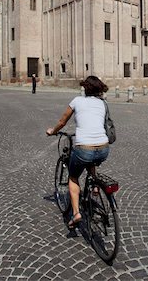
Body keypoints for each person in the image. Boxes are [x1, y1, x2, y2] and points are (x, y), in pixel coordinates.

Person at [46, 76, 109, 229]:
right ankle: (95, 185)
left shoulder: (77, 101)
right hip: (104, 148)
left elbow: (62, 122)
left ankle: (76, 213)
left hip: (84, 148)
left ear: (85, 89)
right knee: (91, 158)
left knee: (73, 177)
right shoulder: (103, 104)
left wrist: (52, 131)